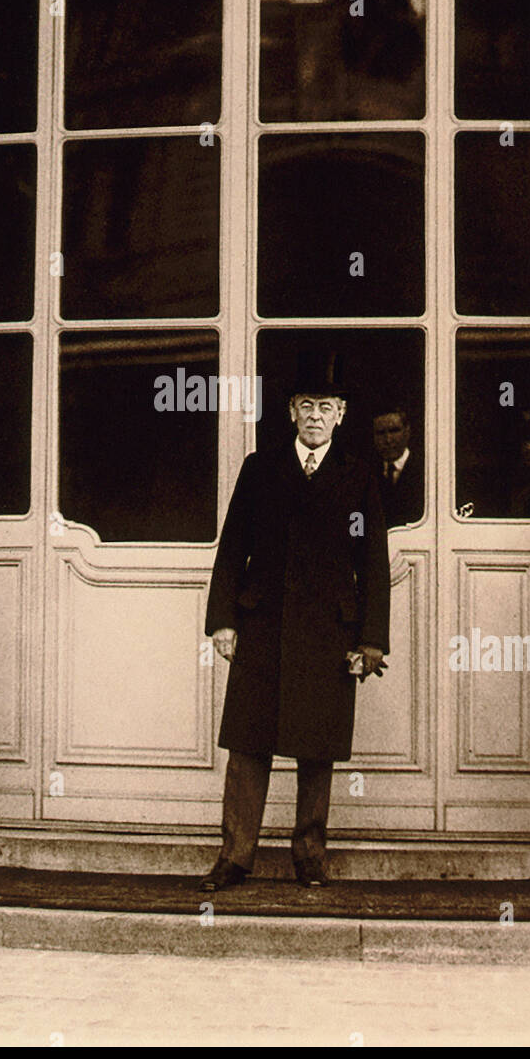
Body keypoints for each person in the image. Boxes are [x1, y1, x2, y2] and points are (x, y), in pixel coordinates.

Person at [201, 359, 391, 890]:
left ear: (342, 415)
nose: (315, 417)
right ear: (291, 412)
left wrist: (371, 639)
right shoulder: (261, 468)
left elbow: (373, 560)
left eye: (325, 408)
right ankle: (235, 857)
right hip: (262, 624)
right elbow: (232, 547)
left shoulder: (357, 474)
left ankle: (309, 856)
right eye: (305, 406)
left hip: (329, 629)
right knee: (248, 744)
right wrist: (223, 621)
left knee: (317, 746)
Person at [372, 406, 423, 527]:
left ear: (407, 431)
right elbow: (356, 515)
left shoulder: (425, 471)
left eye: (394, 431)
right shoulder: (366, 473)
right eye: (381, 433)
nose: (388, 440)